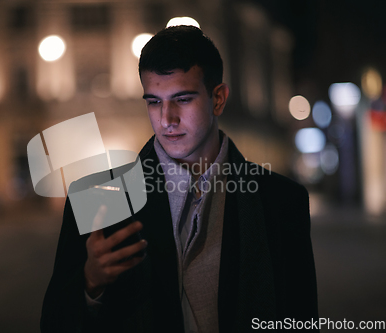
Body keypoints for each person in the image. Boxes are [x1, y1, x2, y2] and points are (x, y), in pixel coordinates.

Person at [40, 25, 319, 332]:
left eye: (183, 99)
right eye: (154, 102)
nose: (167, 119)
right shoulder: (94, 197)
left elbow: (300, 320)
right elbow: (53, 323)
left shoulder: (281, 201)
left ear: (218, 99)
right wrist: (90, 283)